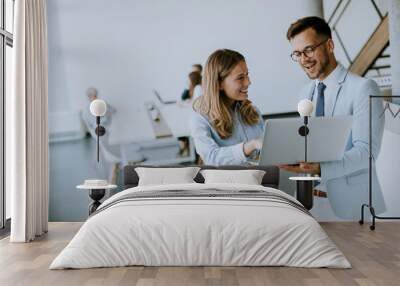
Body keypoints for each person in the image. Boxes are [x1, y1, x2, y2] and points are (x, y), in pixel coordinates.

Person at [281, 16, 385, 219]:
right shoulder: (304, 92)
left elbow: (368, 152)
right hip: (309, 202)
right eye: (297, 53)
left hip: (352, 206)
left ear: (329, 45)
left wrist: (321, 169)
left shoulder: (363, 88)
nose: (304, 59)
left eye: (309, 50)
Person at [190, 49, 264, 165]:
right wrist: (250, 146)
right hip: (227, 182)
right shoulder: (200, 118)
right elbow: (210, 157)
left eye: (247, 75)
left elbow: (264, 152)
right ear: (219, 83)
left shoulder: (252, 112)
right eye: (240, 78)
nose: (248, 82)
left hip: (259, 180)